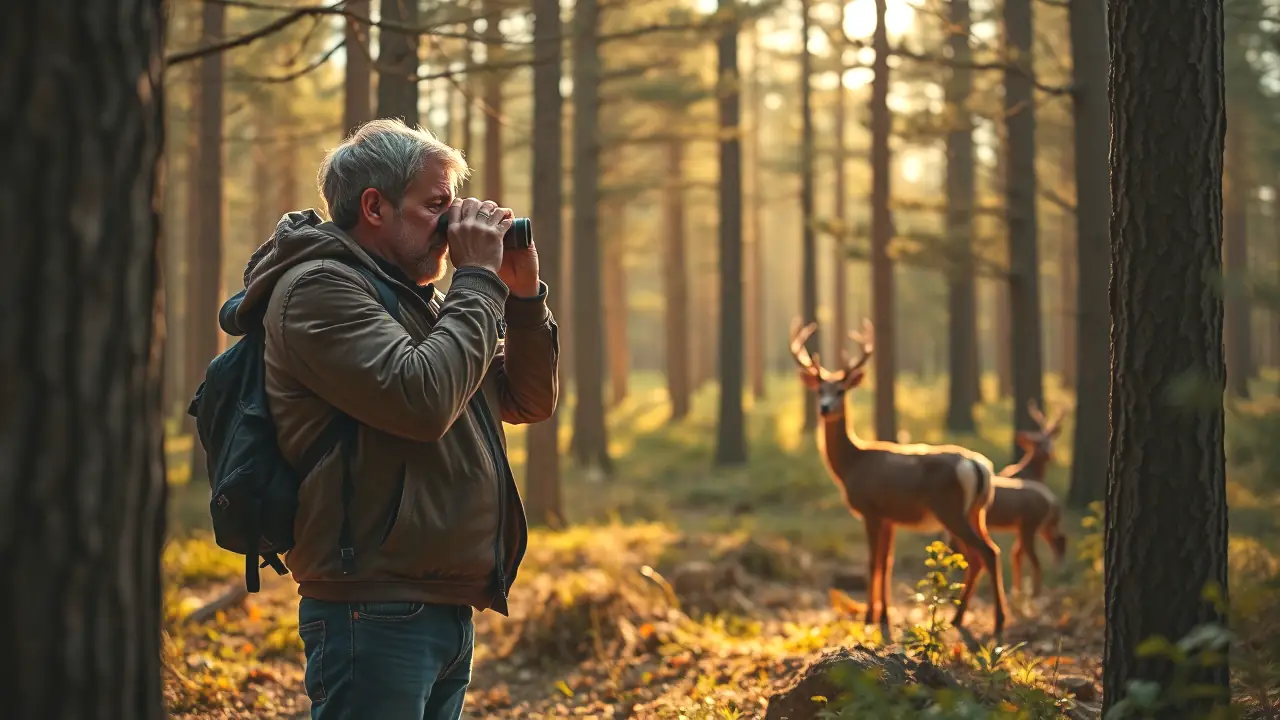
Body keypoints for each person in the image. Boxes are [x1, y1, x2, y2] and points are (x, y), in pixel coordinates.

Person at [223, 118, 558, 719]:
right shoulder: (319, 290)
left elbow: (528, 400)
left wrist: (524, 297)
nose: (456, 226)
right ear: (374, 206)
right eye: (437, 206)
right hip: (372, 605)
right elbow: (422, 399)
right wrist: (477, 280)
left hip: (438, 597)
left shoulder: (416, 298)